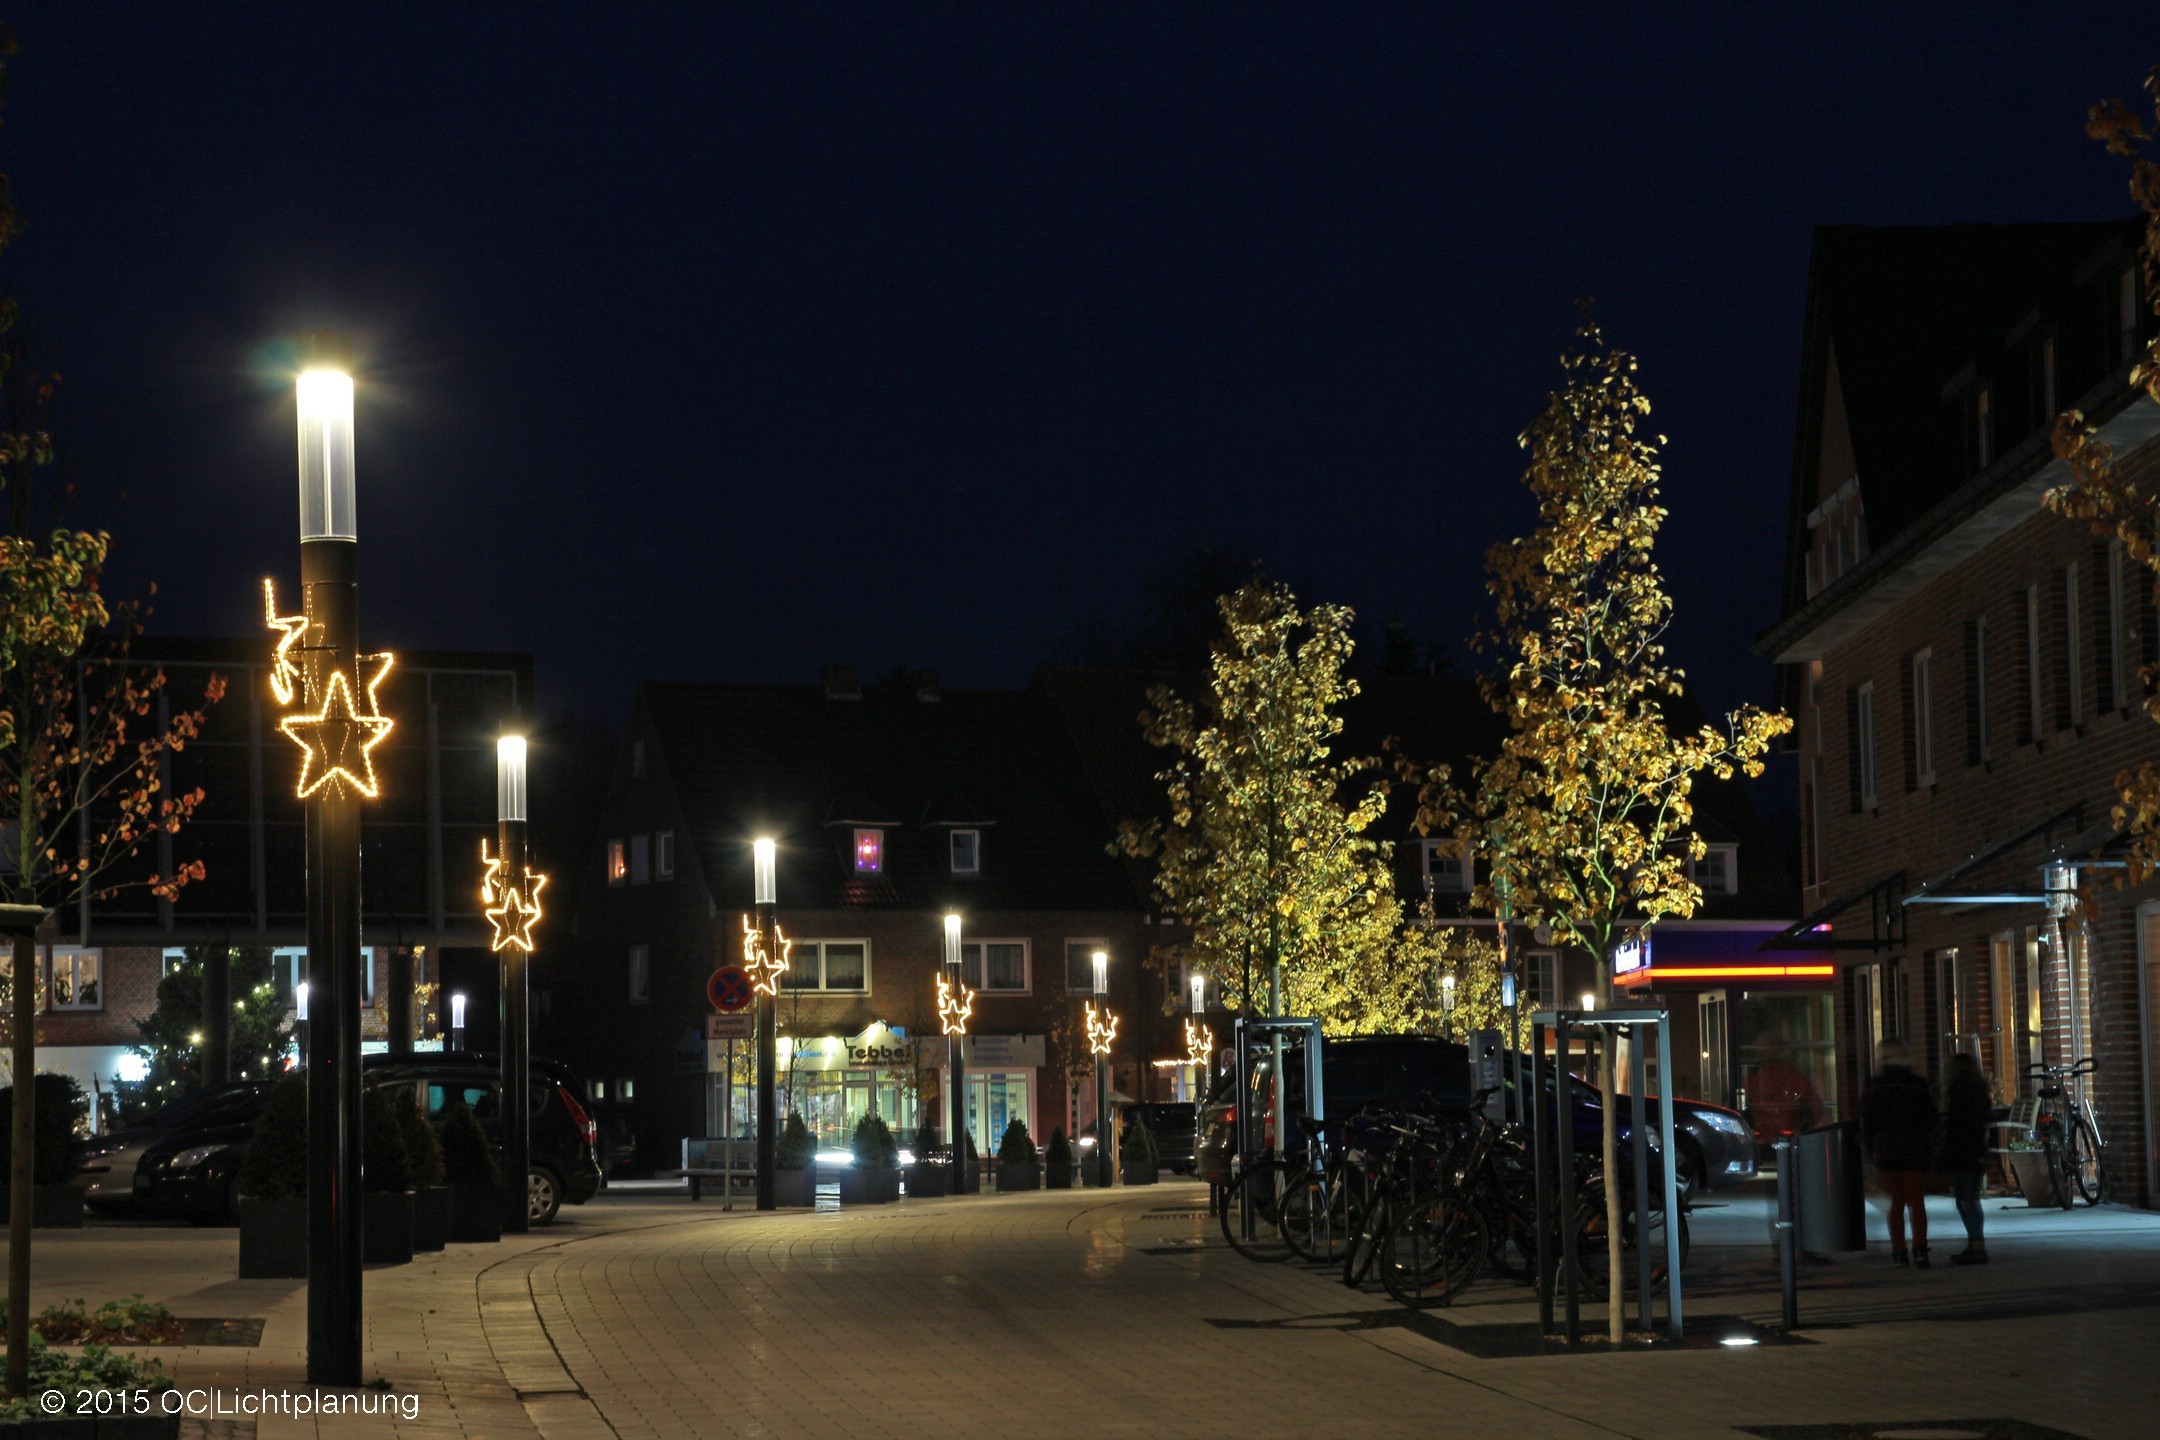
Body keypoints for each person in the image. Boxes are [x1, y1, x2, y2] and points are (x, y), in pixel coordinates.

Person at [1861, 1043, 1938, 1266]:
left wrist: (1870, 1149)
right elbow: (1931, 1118)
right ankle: (1920, 1249)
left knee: (1895, 1201)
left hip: (1886, 1148)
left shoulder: (1874, 1086)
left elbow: (1867, 1120)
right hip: (1915, 1147)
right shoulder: (1917, 1084)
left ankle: (1898, 1251)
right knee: (1916, 1200)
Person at [1940, 1052, 1992, 1265]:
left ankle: (1975, 1243)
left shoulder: (1958, 1092)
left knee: (1965, 1200)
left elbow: (1955, 1124)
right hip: (1976, 1149)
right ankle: (1976, 1244)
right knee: (1972, 1199)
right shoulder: (1980, 1091)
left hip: (1961, 1150)